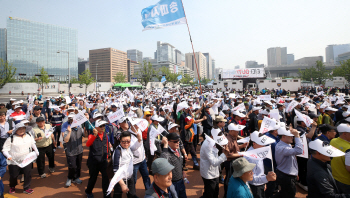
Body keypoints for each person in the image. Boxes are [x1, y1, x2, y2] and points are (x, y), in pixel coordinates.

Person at [2, 123, 39, 195]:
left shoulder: (29, 136)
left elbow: (32, 144)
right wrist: (8, 155)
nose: (21, 130)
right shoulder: (11, 139)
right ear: (16, 130)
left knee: (27, 174)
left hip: (27, 159)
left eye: (23, 128)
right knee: (14, 175)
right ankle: (12, 186)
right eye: (19, 129)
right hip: (14, 161)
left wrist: (36, 151)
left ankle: (27, 187)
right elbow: (4, 150)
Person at [244, 131, 277, 198]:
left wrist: (264, 182)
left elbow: (260, 171)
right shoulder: (250, 157)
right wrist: (266, 178)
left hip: (260, 184)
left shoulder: (258, 151)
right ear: (254, 143)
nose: (264, 146)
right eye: (262, 144)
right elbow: (251, 179)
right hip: (255, 187)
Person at [273, 127, 303, 198]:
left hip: (287, 174)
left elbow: (292, 160)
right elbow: (299, 150)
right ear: (283, 136)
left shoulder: (286, 144)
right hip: (286, 176)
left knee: (284, 193)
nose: (292, 138)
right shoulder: (282, 147)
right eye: (291, 136)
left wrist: (296, 173)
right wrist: (297, 137)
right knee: (289, 194)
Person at [200, 128, 229, 198]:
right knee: (210, 194)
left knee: (215, 192)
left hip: (214, 173)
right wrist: (224, 154)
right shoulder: (207, 145)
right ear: (212, 136)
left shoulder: (212, 142)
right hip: (209, 174)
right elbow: (214, 162)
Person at [112, 130, 142, 198]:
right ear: (120, 140)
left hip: (129, 178)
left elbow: (135, 147)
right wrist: (122, 185)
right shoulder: (117, 152)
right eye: (123, 142)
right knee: (117, 196)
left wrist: (139, 140)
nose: (126, 143)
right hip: (120, 181)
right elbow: (115, 171)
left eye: (128, 141)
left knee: (132, 195)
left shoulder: (128, 148)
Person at [85, 120, 110, 198]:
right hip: (93, 162)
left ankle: (106, 195)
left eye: (104, 126)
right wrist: (94, 136)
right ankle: (88, 191)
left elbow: (106, 145)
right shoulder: (91, 135)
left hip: (103, 161)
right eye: (101, 126)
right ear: (96, 127)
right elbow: (88, 144)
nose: (103, 127)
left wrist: (107, 156)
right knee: (93, 178)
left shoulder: (105, 135)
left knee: (106, 178)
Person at [160, 133, 187, 198]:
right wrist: (165, 144)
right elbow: (163, 161)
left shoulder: (177, 149)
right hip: (172, 184)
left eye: (178, 141)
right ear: (169, 142)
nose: (178, 143)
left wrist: (182, 171)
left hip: (180, 181)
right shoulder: (166, 153)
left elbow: (180, 161)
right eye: (175, 141)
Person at [63, 118, 84, 187]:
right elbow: (65, 140)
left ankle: (76, 178)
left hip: (79, 151)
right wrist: (69, 132)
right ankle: (69, 178)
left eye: (76, 121)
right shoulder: (67, 130)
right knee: (72, 166)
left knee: (78, 166)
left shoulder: (80, 129)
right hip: (71, 152)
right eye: (72, 122)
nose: (74, 123)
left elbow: (85, 135)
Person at [330, 123, 350, 194]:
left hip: (334, 176)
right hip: (346, 181)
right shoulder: (348, 148)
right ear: (344, 134)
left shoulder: (333, 141)